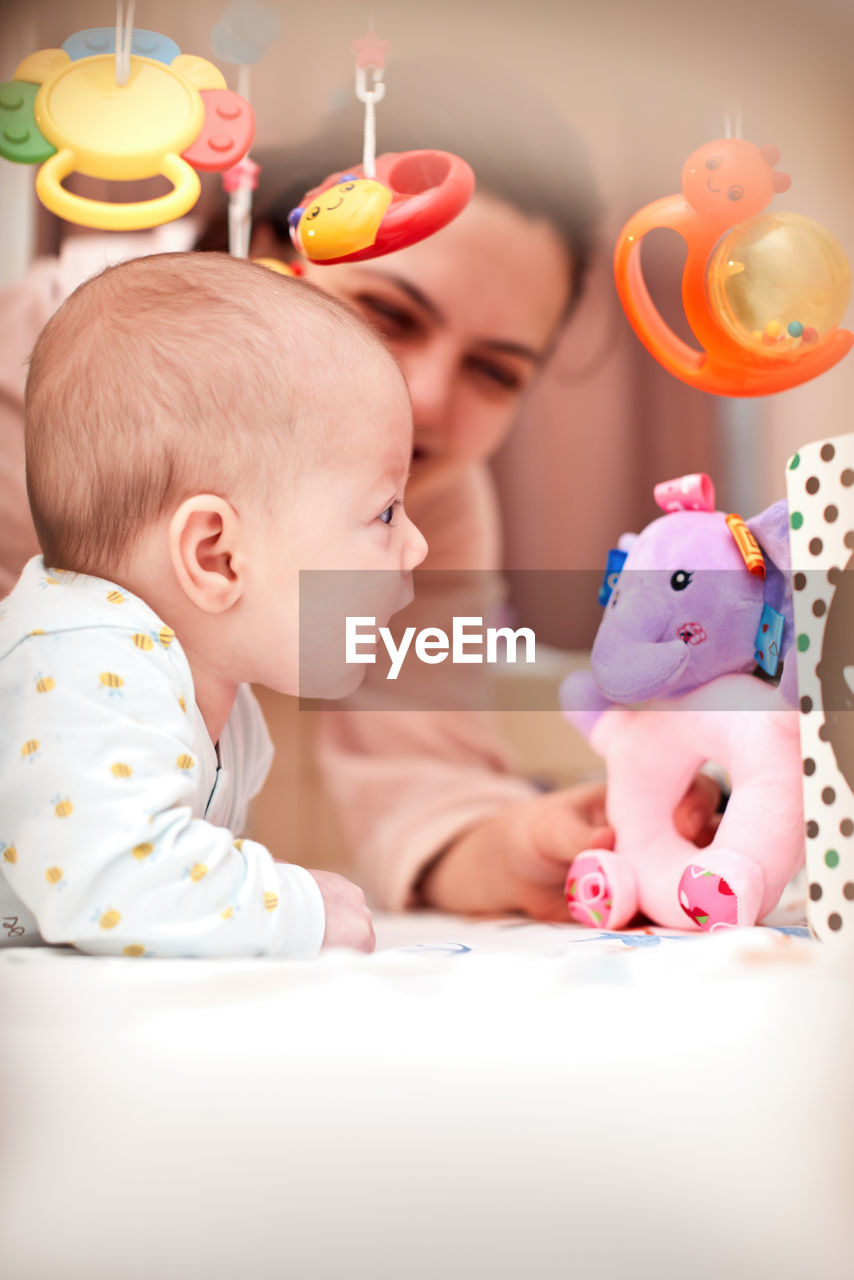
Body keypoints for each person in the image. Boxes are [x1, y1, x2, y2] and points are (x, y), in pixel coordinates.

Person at [0, 252, 426, 957]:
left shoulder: (217, 700)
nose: (416, 547)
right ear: (215, 555)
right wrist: (297, 908)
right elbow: (112, 886)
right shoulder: (85, 667)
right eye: (384, 513)